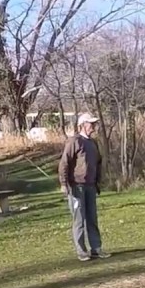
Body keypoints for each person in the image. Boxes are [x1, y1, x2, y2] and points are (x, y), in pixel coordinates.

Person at [58, 112, 108, 261]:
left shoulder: (93, 143)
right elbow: (64, 163)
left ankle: (96, 248)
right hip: (77, 186)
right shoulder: (74, 141)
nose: (93, 126)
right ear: (83, 125)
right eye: (91, 124)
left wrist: (98, 181)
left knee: (92, 219)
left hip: (90, 186)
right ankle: (81, 251)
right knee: (79, 220)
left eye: (94, 123)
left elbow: (98, 163)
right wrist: (64, 183)